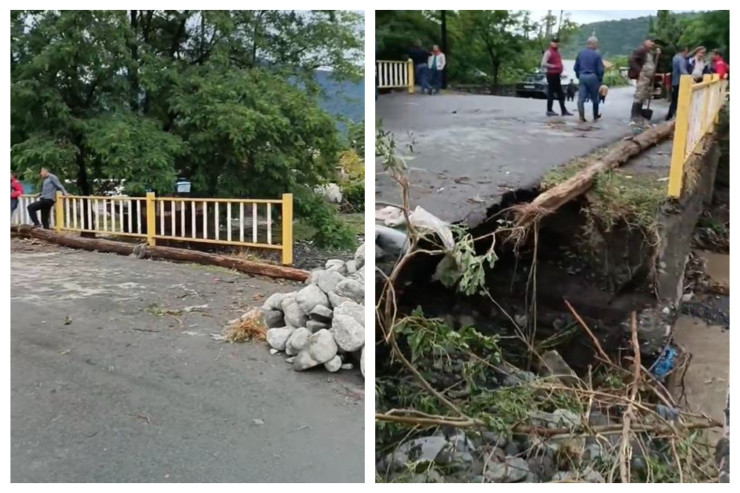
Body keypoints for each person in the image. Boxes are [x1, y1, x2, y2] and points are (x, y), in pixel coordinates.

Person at [629, 36, 660, 125]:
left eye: (653, 42)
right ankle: (634, 116)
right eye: (650, 41)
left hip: (647, 78)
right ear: (645, 41)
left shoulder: (648, 52)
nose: (652, 43)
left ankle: (639, 115)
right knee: (639, 95)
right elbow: (632, 60)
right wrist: (639, 71)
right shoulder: (641, 50)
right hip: (643, 77)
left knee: (643, 96)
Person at [574, 36, 605, 122]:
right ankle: (595, 116)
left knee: (581, 98)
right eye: (596, 44)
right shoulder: (597, 54)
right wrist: (599, 79)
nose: (597, 46)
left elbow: (576, 67)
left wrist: (578, 75)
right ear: (593, 44)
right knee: (595, 98)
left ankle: (581, 117)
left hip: (582, 76)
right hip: (592, 76)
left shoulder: (580, 53)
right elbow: (600, 69)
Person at [541, 36, 572, 117]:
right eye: (554, 42)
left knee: (560, 93)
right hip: (551, 75)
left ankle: (563, 110)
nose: (555, 43)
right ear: (551, 43)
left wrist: (560, 69)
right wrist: (553, 66)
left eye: (557, 42)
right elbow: (543, 63)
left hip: (557, 75)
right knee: (552, 92)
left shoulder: (557, 52)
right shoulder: (548, 52)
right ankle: (549, 110)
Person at [666, 46, 689, 121]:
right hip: (680, 82)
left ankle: (670, 116)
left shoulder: (675, 57)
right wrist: (689, 77)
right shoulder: (681, 59)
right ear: (684, 51)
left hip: (674, 81)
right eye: (686, 52)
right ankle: (673, 116)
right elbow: (682, 70)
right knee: (677, 100)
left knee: (674, 100)